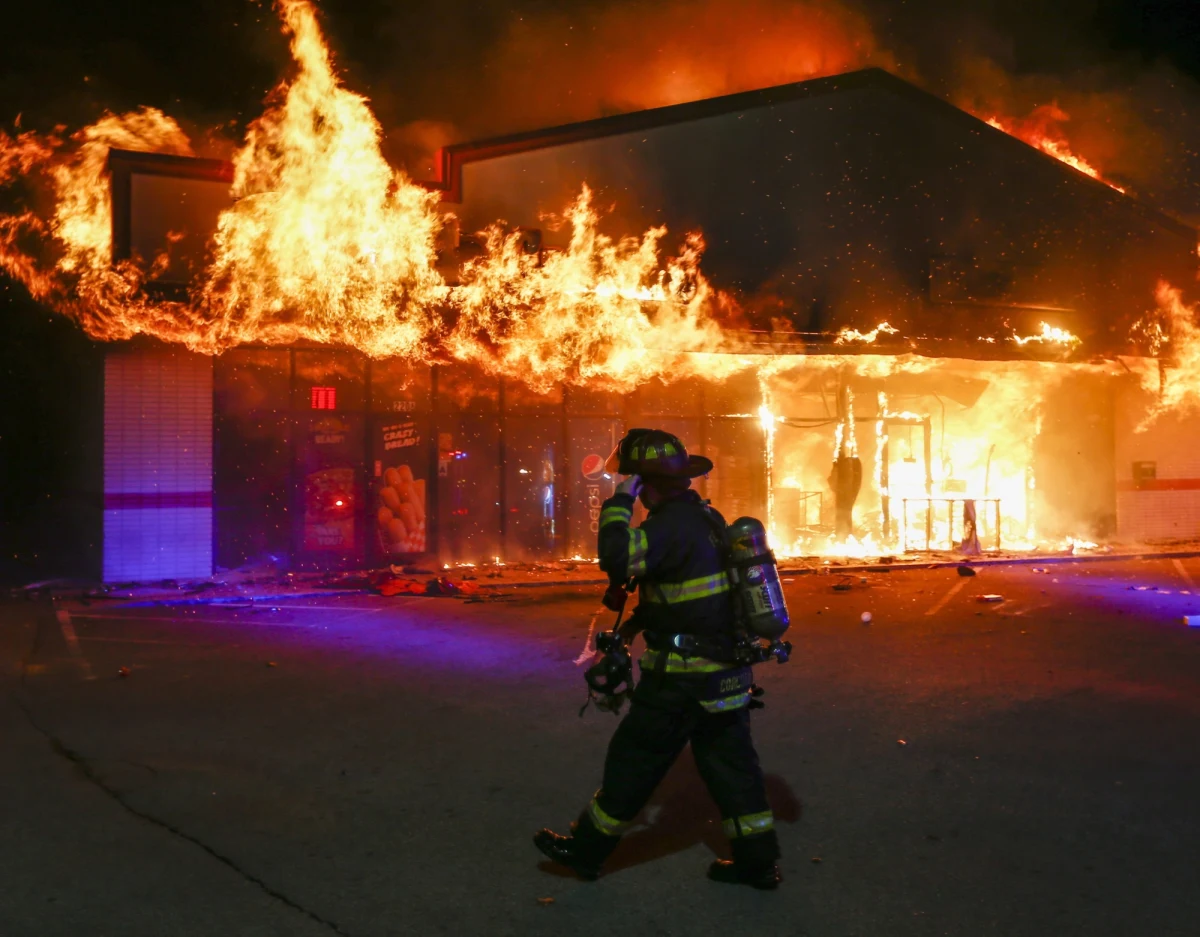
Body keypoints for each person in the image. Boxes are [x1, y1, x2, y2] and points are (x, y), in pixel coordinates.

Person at [533, 429, 781, 889]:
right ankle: (758, 863)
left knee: (633, 760)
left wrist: (617, 503)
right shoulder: (706, 519)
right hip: (726, 675)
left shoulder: (667, 526)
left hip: (681, 679)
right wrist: (629, 630)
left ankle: (586, 852)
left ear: (644, 484)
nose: (633, 490)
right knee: (734, 771)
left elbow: (614, 556)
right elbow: (680, 594)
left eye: (633, 482)